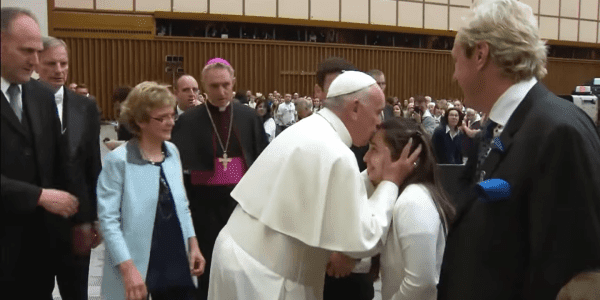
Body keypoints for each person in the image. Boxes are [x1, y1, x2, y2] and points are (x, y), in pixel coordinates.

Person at [208, 71, 421, 300]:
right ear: (356, 108)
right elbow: (364, 240)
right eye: (378, 112)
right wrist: (390, 182)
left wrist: (374, 177)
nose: (380, 122)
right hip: (264, 277)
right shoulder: (336, 152)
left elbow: (332, 188)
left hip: (240, 258)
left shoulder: (312, 129)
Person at [438, 0, 600, 299]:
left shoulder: (559, 131)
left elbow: (577, 274)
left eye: (455, 61)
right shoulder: (496, 128)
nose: (455, 76)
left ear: (480, 54)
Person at [97, 82, 205, 300]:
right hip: (138, 261)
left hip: (176, 257)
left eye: (172, 115)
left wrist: (193, 244)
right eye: (162, 118)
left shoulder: (172, 151)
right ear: (140, 121)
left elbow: (182, 204)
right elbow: (108, 221)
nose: (170, 122)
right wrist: (127, 269)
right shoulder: (118, 161)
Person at [170, 58, 268, 300]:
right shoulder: (189, 120)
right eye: (214, 86)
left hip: (242, 208)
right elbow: (180, 170)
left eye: (226, 84)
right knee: (210, 270)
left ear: (234, 82)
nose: (221, 91)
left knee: (243, 269)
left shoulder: (249, 117)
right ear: (204, 86)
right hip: (204, 211)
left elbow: (263, 162)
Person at [1, 7, 79, 297]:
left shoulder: (41, 96)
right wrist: (38, 196)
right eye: (26, 51)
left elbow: (60, 161)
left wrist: (85, 218)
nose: (35, 62)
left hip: (39, 250)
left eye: (37, 52)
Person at [36, 36, 103, 299]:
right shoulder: (23, 103)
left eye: (64, 63)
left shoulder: (85, 106)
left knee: (77, 290)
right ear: (36, 64)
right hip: (36, 218)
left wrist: (95, 216)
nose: (59, 70)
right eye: (51, 63)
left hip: (77, 218)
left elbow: (93, 163)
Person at [363, 118, 455, 300]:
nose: (366, 158)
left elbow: (421, 283)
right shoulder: (407, 195)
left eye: (374, 149)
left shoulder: (413, 201)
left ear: (403, 157)